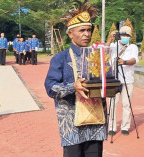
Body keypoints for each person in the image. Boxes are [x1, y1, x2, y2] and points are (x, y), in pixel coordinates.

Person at [45, 2, 106, 157]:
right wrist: (73, 86)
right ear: (70, 33)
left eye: (88, 30)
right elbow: (50, 87)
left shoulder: (99, 56)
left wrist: (111, 85)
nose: (87, 34)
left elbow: (112, 84)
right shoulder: (60, 58)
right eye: (82, 30)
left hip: (95, 123)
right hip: (71, 126)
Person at [106, 26, 139, 136]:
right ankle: (111, 126)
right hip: (114, 79)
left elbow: (134, 60)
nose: (125, 37)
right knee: (112, 103)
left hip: (127, 80)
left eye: (127, 35)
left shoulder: (133, 47)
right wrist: (110, 39)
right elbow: (104, 53)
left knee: (126, 104)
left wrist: (124, 62)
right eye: (123, 35)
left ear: (130, 36)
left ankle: (125, 126)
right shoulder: (113, 45)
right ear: (119, 35)